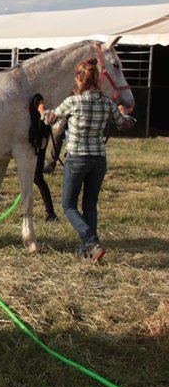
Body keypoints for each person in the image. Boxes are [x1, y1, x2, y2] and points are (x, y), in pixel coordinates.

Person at [40, 57, 136, 263]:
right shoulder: (107, 103)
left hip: (77, 159)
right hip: (99, 159)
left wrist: (41, 109)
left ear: (79, 78)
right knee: (90, 205)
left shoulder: (73, 101)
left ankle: (91, 241)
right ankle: (90, 249)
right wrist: (125, 114)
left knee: (68, 206)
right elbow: (124, 125)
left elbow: (51, 119)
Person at [31, 95, 59, 222]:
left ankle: (51, 212)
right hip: (34, 144)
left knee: (37, 177)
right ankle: (28, 209)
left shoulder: (38, 98)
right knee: (30, 178)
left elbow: (42, 110)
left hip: (37, 145)